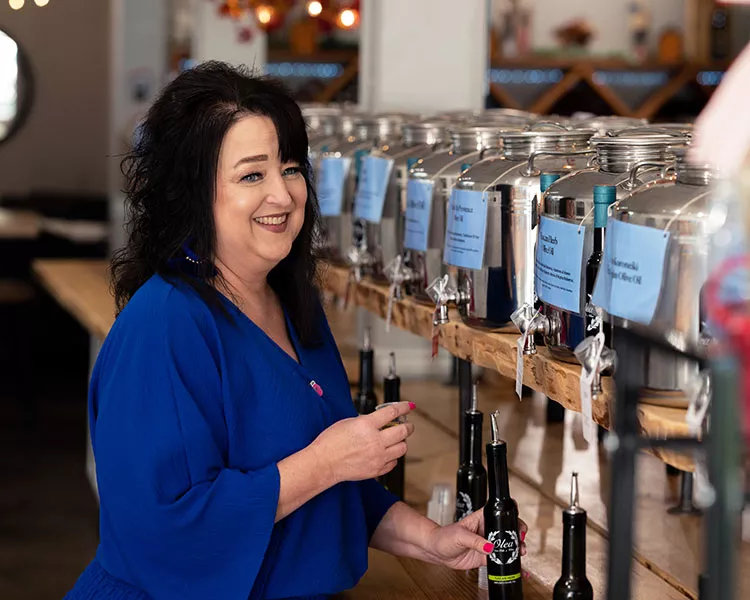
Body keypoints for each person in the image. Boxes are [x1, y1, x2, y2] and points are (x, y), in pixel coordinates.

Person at [64, 61, 527, 600]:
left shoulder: (288, 303)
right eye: (251, 174)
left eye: (290, 167)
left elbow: (331, 491)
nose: (283, 195)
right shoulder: (165, 325)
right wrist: (326, 460)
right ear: (191, 194)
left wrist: (433, 540)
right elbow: (164, 530)